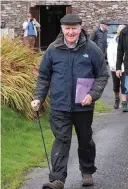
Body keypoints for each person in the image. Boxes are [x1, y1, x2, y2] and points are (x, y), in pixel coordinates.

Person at [30, 14, 109, 189]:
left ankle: (87, 170)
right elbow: (44, 76)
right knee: (61, 140)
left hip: (84, 106)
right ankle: (57, 179)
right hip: (59, 105)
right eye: (68, 28)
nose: (71, 32)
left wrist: (93, 94)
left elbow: (103, 75)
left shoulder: (92, 49)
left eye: (74, 28)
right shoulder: (53, 49)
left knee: (85, 140)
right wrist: (38, 98)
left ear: (80, 28)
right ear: (62, 29)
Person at [107, 24, 127, 111]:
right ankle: (116, 99)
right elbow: (109, 54)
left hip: (124, 67)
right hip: (115, 67)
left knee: (124, 86)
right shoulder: (112, 42)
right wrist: (112, 65)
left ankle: (124, 103)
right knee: (116, 86)